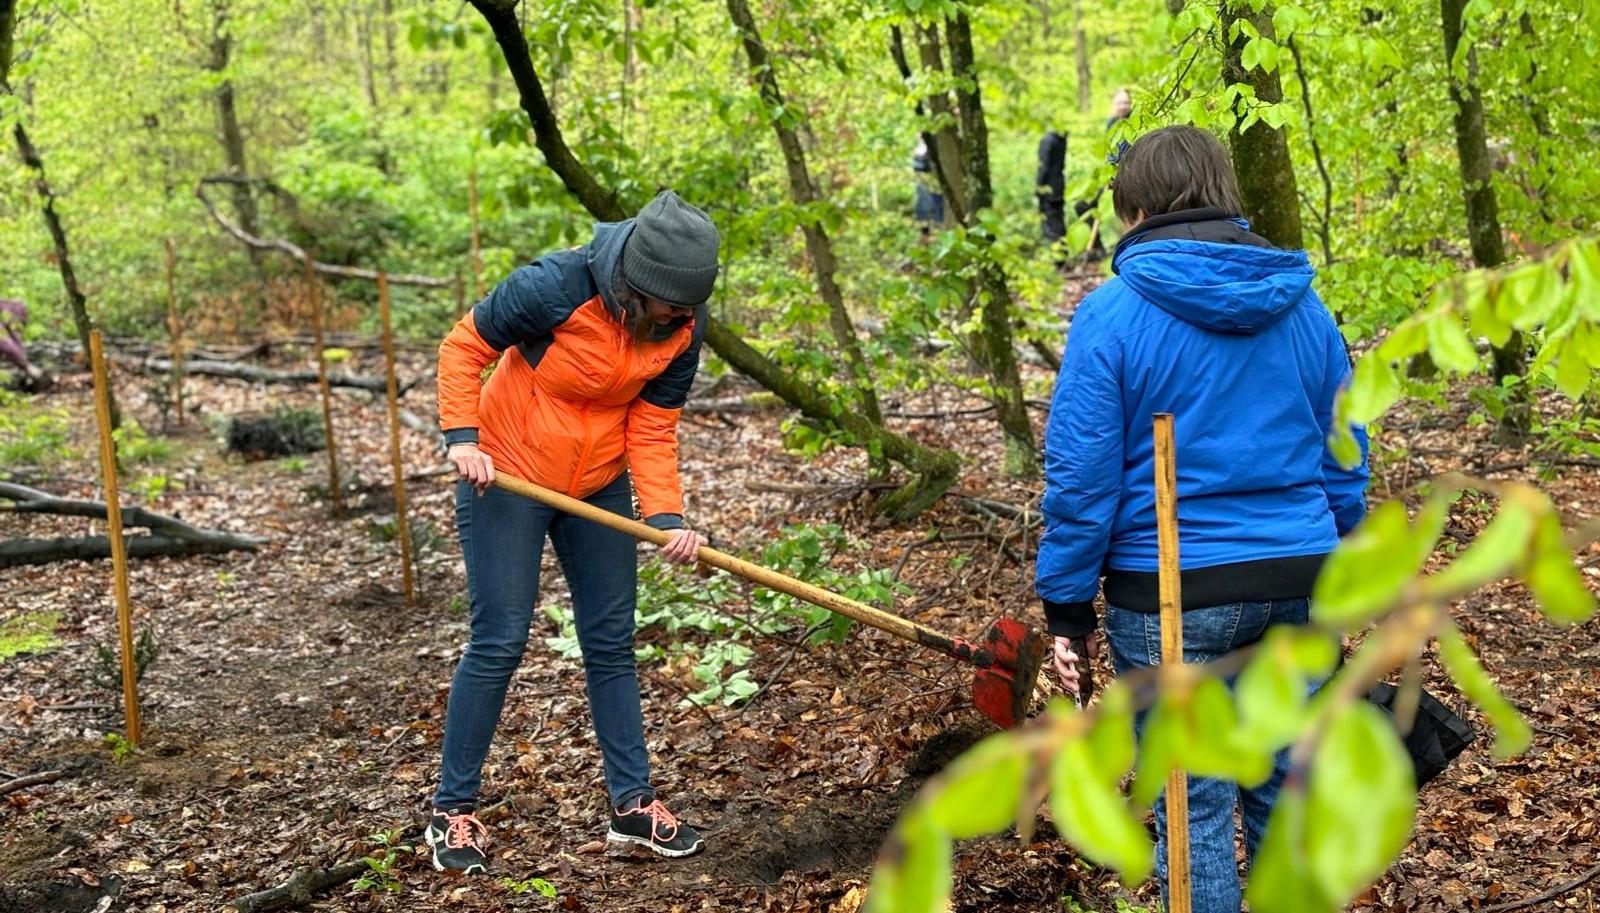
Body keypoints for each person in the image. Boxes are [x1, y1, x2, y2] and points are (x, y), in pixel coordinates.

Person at [1035, 125, 1369, 913]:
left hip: (1174, 590)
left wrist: (1066, 606)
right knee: (1286, 781)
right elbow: (1345, 456)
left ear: (1138, 206)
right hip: (1300, 577)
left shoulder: (1112, 315)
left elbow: (1081, 478)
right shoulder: (1307, 311)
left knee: (1196, 803)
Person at [429, 189, 718, 872]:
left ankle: (631, 804)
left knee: (611, 641)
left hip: (599, 482)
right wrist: (463, 437)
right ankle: (451, 811)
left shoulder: (682, 327)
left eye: (689, 311)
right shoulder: (554, 287)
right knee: (500, 637)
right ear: (637, 287)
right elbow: (463, 345)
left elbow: (652, 423)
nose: (683, 320)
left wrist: (666, 516)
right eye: (673, 309)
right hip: (506, 474)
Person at [1037, 127, 1068, 257]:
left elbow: (1044, 166)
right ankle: (1061, 253)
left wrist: (1039, 185)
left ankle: (1056, 257)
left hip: (1048, 186)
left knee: (1051, 220)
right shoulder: (1061, 139)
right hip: (1059, 183)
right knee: (1058, 218)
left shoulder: (1048, 140)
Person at [912, 139, 945, 239]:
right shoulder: (922, 148)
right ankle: (926, 233)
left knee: (935, 204)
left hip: (933, 181)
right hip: (927, 180)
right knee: (926, 204)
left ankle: (933, 233)